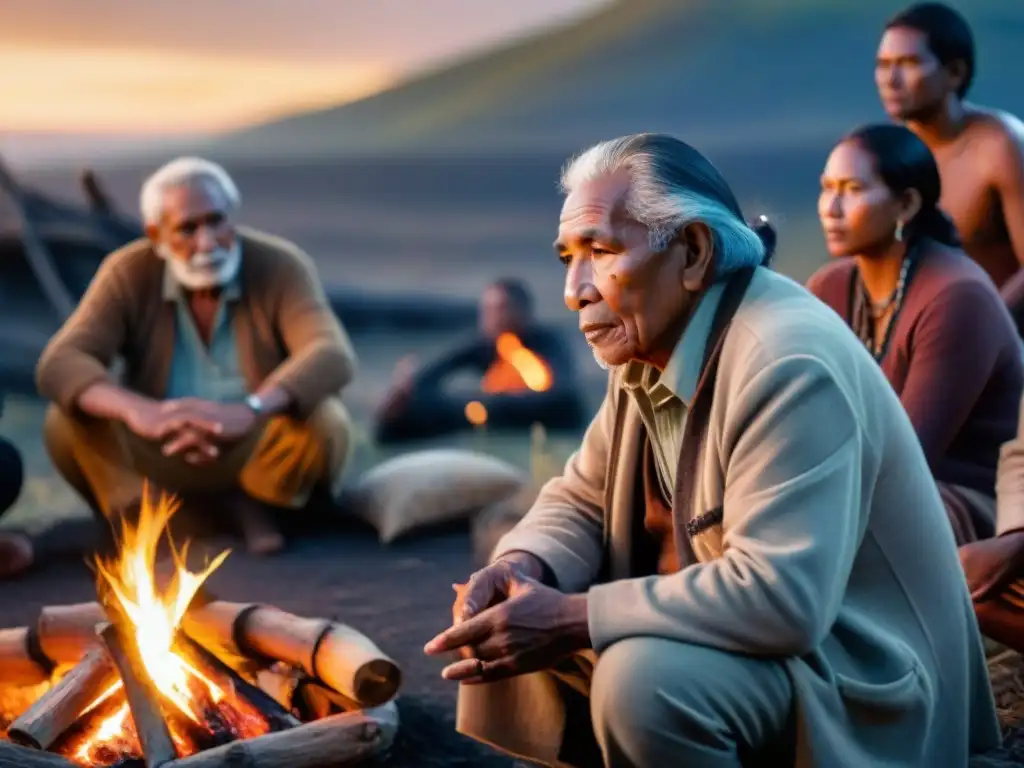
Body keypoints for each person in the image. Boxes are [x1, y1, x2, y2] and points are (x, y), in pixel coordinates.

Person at [423, 133, 999, 767]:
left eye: (601, 250)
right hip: (775, 651)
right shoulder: (653, 343)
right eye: (567, 257)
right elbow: (583, 495)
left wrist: (573, 617)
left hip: (861, 675)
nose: (574, 290)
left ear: (693, 252)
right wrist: (524, 567)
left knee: (643, 683)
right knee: (520, 621)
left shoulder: (785, 360)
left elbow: (785, 602)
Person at [30, 156, 357, 564]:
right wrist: (141, 412)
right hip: (163, 445)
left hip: (252, 446)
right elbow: (60, 363)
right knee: (65, 420)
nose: (207, 242)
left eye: (216, 221)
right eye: (188, 228)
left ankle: (257, 504)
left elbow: (331, 353)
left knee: (324, 417)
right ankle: (145, 518)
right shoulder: (128, 271)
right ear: (156, 234)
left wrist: (251, 409)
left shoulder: (278, 265)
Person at [807, 124, 1022, 546]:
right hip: (861, 484)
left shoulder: (957, 296)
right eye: (826, 187)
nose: (831, 207)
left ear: (906, 204)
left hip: (962, 500)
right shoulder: (828, 287)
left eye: (851, 189)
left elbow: (908, 456)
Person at [876, 3, 1024, 331]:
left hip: (1000, 343)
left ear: (954, 72)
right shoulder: (884, 154)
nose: (891, 79)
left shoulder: (1001, 145)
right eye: (883, 65)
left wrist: (985, 331)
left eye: (908, 63)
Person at [374, 277, 587, 443]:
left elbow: (560, 394)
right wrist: (409, 388)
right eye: (486, 309)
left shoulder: (547, 344)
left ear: (522, 312)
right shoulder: (485, 346)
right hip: (492, 415)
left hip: (544, 420)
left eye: (500, 309)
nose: (490, 317)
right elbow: (441, 369)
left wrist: (482, 402)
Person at [962, 396, 1024, 653]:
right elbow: (1020, 459)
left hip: (973, 494)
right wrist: (1016, 534)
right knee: (951, 584)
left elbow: (917, 441)